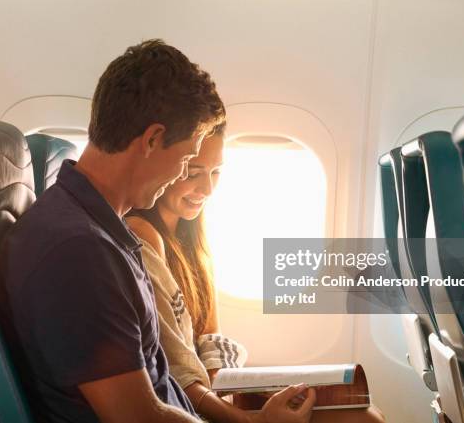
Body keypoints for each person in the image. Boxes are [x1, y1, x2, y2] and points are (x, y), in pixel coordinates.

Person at [0, 39, 316, 423]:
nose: (183, 175)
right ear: (151, 140)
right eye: (185, 160)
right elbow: (141, 417)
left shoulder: (102, 232)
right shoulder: (79, 252)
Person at [126, 129, 386, 423]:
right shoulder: (142, 234)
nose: (208, 188)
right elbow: (175, 367)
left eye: (216, 172)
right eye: (194, 172)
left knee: (366, 413)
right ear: (169, 166)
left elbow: (210, 335)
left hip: (212, 390)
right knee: (365, 420)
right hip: (188, 401)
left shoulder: (195, 237)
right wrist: (246, 418)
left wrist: (238, 388)